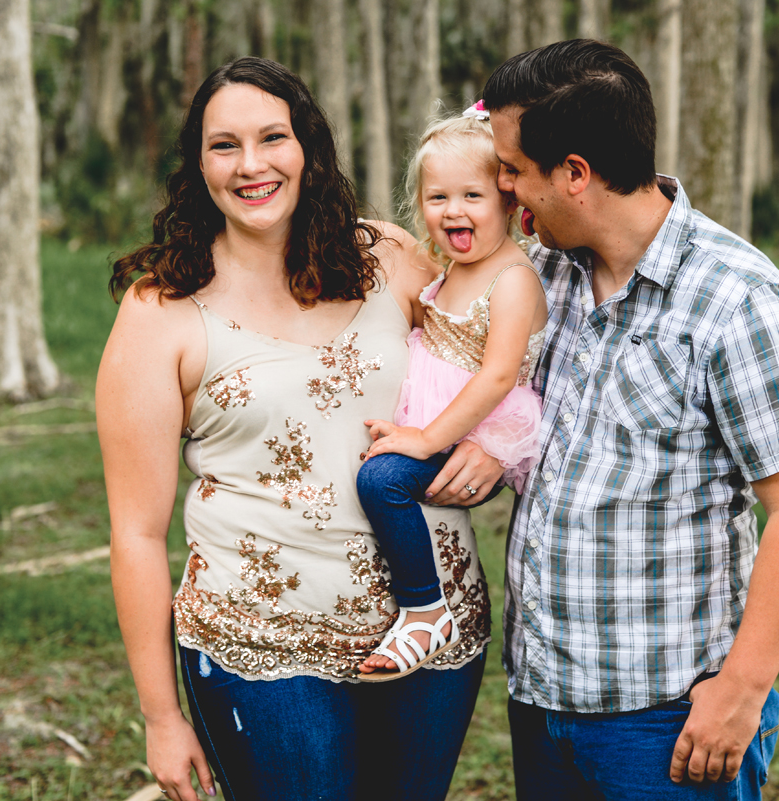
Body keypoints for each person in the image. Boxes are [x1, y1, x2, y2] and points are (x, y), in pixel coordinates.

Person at [96, 57, 504, 801]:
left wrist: (491, 448)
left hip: (433, 635)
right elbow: (136, 531)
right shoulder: (161, 311)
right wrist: (160, 714)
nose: (251, 165)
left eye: (272, 138)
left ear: (307, 146)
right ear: (198, 162)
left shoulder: (391, 258)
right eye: (224, 145)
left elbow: (492, 360)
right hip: (264, 651)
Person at [480, 39, 779, 799]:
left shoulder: (738, 297)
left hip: (667, 721)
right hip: (540, 699)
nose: (503, 189)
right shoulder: (538, 274)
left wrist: (741, 690)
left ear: (574, 174)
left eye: (513, 170)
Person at [355, 112, 547, 681]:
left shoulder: (511, 279)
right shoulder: (452, 265)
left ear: (507, 202)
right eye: (437, 196)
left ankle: (425, 608)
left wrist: (425, 439)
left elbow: (496, 377)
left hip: (477, 427)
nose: (453, 210)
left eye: (472, 194)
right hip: (438, 413)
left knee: (382, 480)